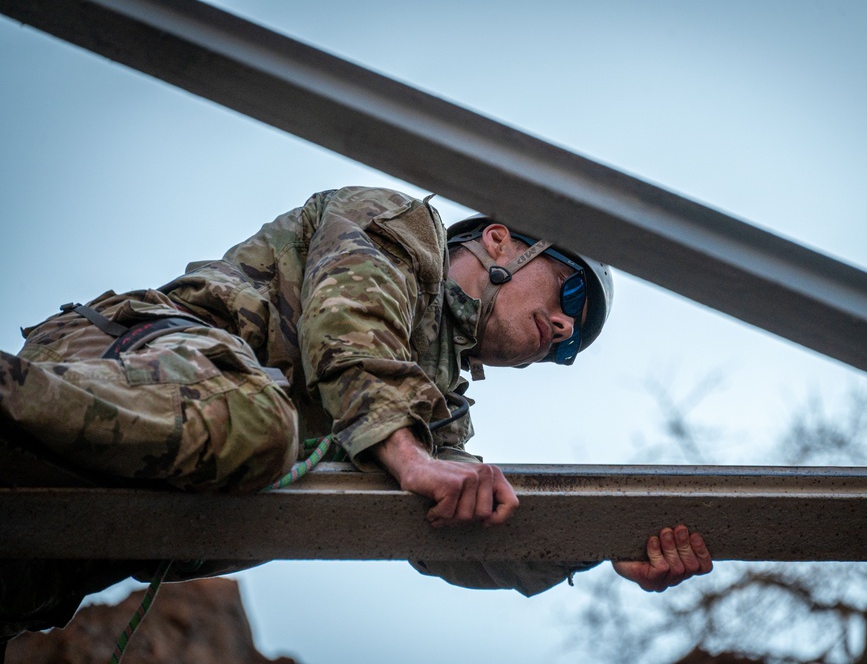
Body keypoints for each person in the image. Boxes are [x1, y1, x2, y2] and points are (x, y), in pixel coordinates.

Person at [0, 186, 712, 641]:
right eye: (570, 296)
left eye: (573, 343)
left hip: (90, 523)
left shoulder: (433, 414)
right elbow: (350, 324)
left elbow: (463, 533)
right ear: (500, 239)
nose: (563, 328)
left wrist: (596, 539)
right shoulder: (399, 226)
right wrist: (408, 458)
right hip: (127, 362)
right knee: (259, 421)